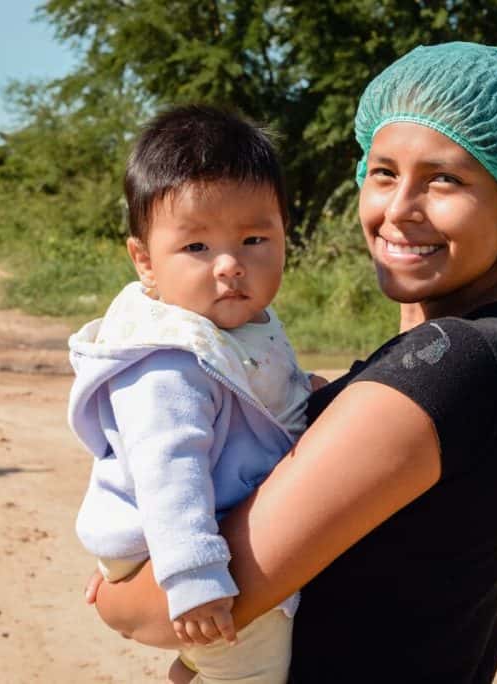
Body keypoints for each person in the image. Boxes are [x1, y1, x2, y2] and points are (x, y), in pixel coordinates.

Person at [87, 42, 497, 683]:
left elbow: (165, 612)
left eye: (445, 179)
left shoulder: (453, 364)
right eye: (384, 173)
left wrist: (113, 596)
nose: (398, 209)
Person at [68, 105, 314, 683]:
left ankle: (197, 666)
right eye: (197, 247)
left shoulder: (244, 324)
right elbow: (169, 467)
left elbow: (262, 396)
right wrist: (193, 579)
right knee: (258, 664)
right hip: (178, 545)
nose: (230, 265)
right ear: (145, 262)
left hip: (203, 529)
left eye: (254, 239)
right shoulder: (170, 358)